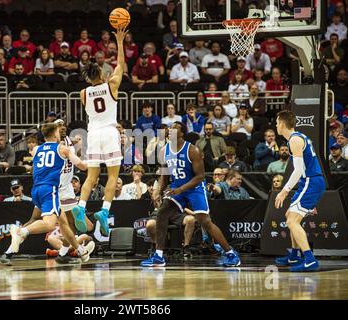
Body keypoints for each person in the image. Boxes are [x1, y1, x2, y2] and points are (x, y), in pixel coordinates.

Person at [141, 122, 240, 267]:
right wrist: (159, 191)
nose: (171, 129)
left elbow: (200, 176)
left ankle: (231, 253)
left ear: (182, 133)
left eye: (175, 127)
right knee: (162, 213)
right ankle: (159, 256)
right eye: (170, 127)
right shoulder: (164, 151)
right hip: (176, 187)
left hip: (195, 188)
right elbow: (165, 176)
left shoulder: (193, 150)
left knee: (205, 221)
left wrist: (181, 190)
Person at [3, 122, 91, 265]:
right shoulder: (64, 149)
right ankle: (21, 232)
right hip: (51, 189)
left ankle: (79, 250)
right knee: (50, 225)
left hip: (36, 189)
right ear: (55, 133)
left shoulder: (36, 149)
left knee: (62, 222)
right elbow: (83, 166)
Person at [72, 26, 127, 237]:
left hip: (92, 134)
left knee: (91, 177)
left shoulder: (83, 93)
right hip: (110, 132)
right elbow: (120, 65)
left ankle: (81, 204)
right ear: (103, 74)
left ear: (88, 78)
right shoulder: (112, 85)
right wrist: (120, 41)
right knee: (113, 176)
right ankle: (104, 211)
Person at [274, 110, 325, 272]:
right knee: (290, 215)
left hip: (311, 181)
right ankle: (295, 255)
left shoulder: (295, 140)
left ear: (282, 124)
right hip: (308, 181)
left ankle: (309, 259)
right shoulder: (297, 137)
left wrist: (284, 190)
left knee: (292, 221)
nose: (275, 125)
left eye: (276, 123)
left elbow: (297, 171)